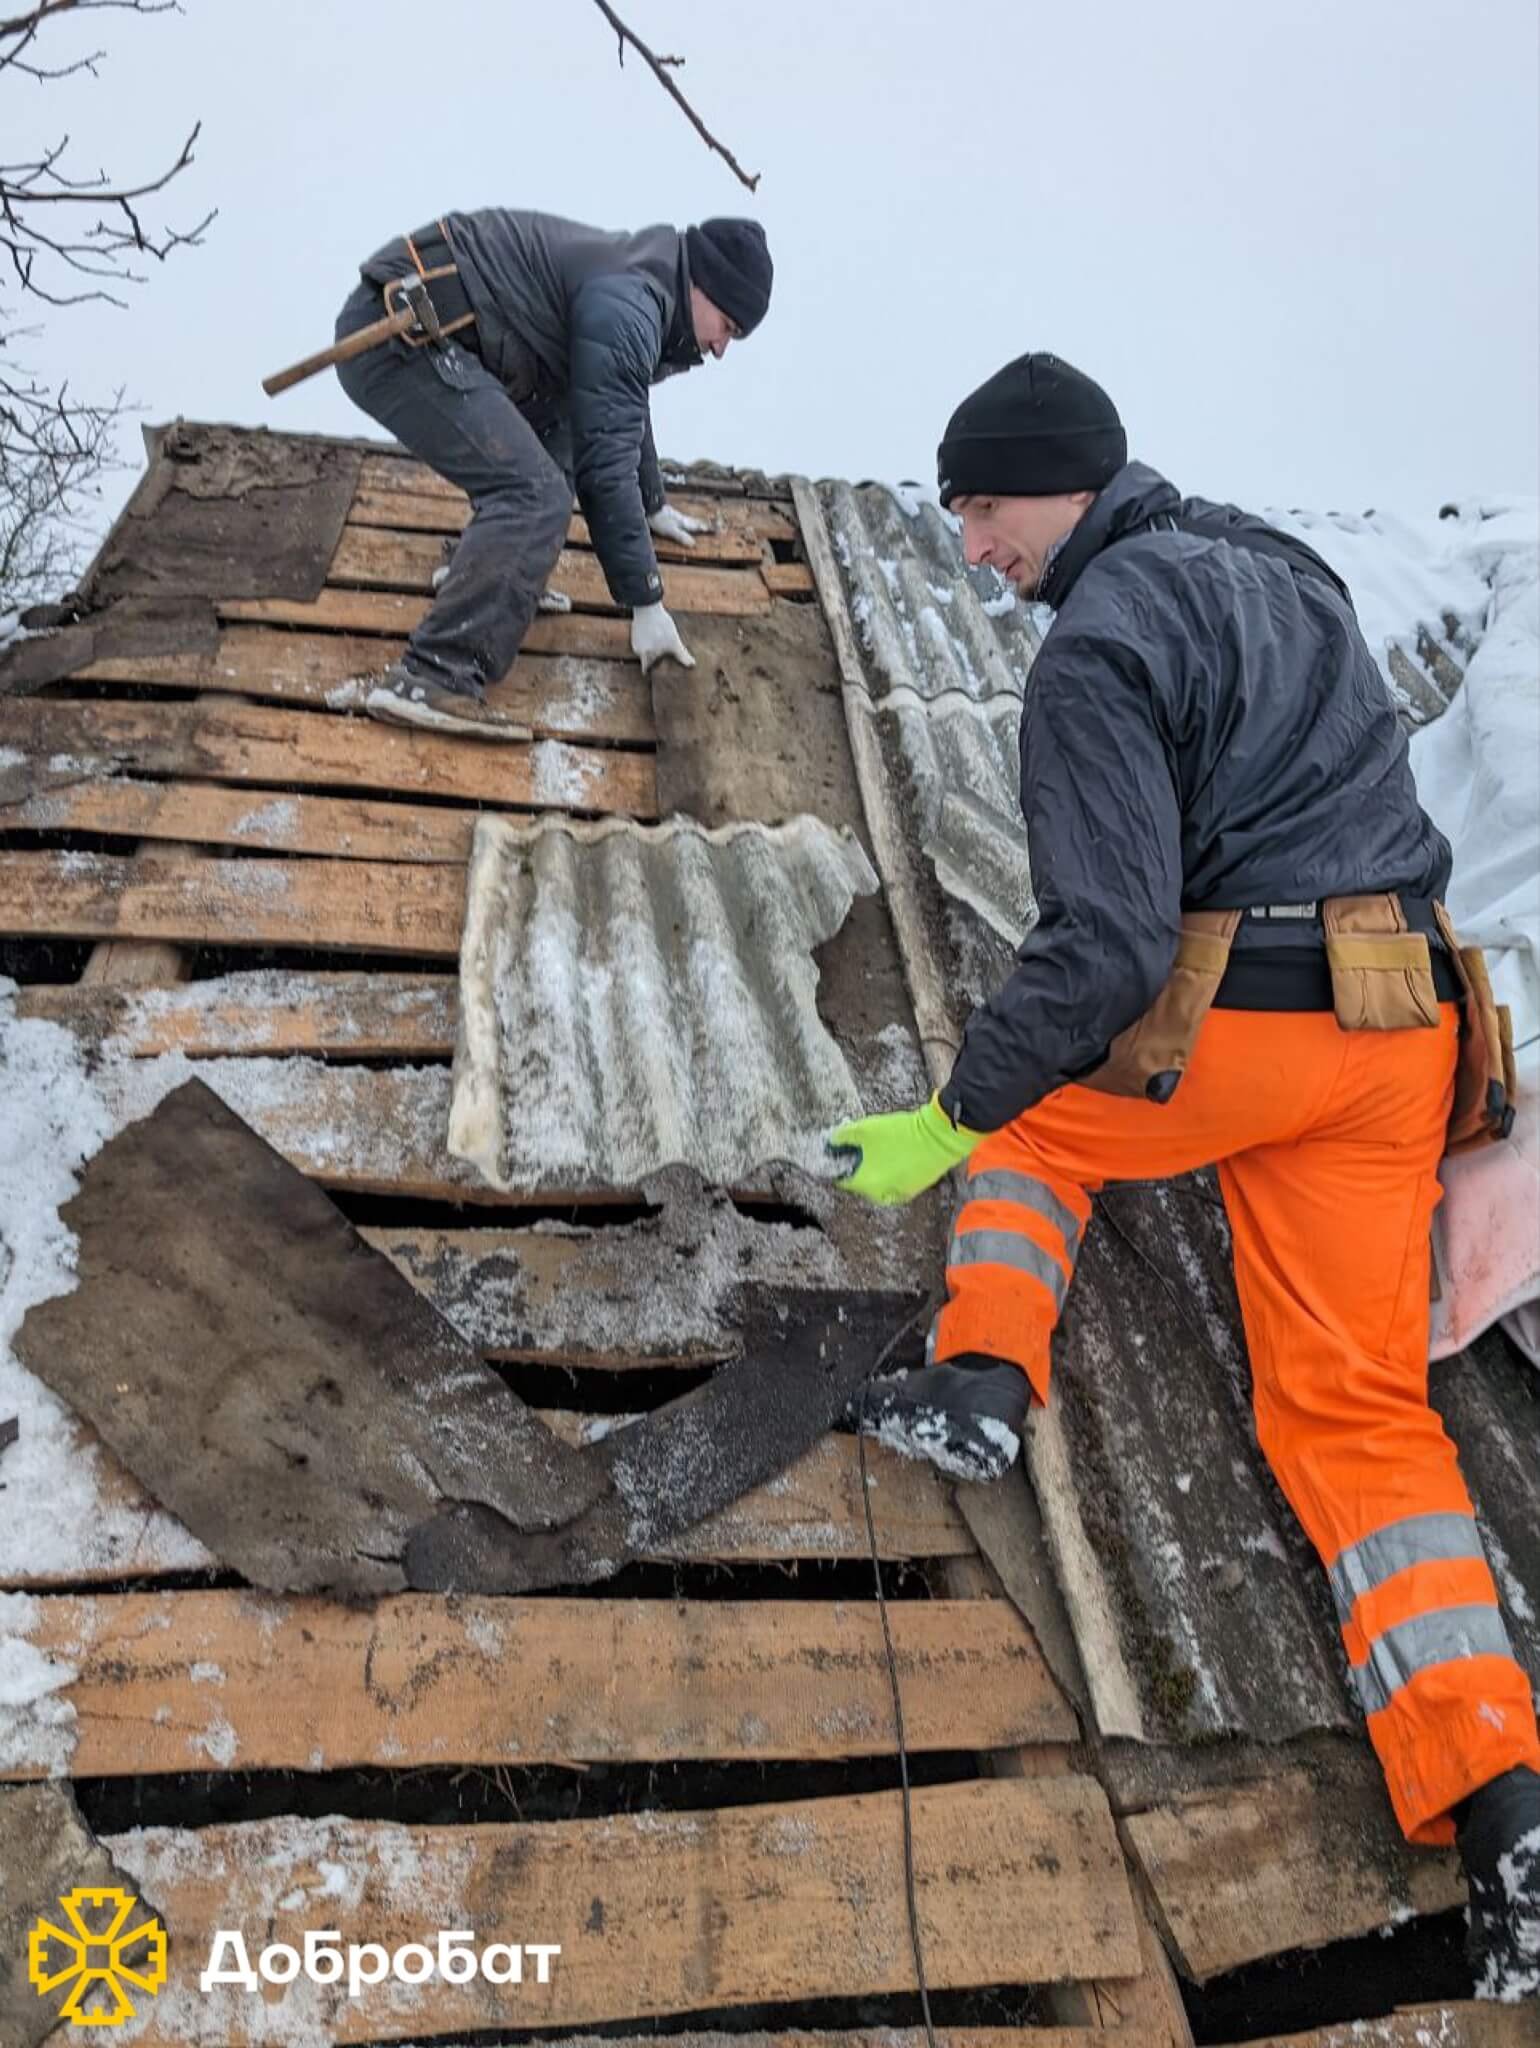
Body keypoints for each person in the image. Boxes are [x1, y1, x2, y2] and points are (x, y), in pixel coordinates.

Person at [828, 350, 1539, 1999]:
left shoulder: (1096, 646)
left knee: (1031, 1121)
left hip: (1255, 1023)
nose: (972, 549)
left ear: (1064, 484)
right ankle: (1502, 1799)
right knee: (1359, 1415)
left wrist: (953, 1107)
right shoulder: (1282, 570)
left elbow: (1107, 945)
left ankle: (979, 1382)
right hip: (1403, 1031)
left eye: (984, 509)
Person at [332, 209, 772, 736]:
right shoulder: (630, 303)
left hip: (456, 337)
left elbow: (620, 403)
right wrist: (645, 600)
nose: (721, 348)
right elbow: (605, 466)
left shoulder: (646, 284)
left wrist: (652, 502)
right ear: (703, 286)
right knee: (535, 495)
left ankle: (493, 573)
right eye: (728, 326)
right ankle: (434, 675)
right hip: (397, 335)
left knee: (561, 434)